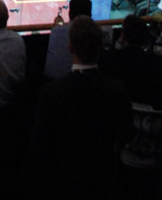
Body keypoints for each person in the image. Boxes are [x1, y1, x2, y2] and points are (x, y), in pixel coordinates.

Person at [33, 16, 132, 200]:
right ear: (100, 47)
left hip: (61, 181)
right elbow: (126, 135)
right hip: (101, 180)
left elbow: (40, 146)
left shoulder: (51, 93)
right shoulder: (117, 90)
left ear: (70, 47)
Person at [44, 0, 92, 79]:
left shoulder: (56, 31)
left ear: (69, 14)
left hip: (54, 81)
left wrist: (58, 26)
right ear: (90, 15)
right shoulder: (95, 34)